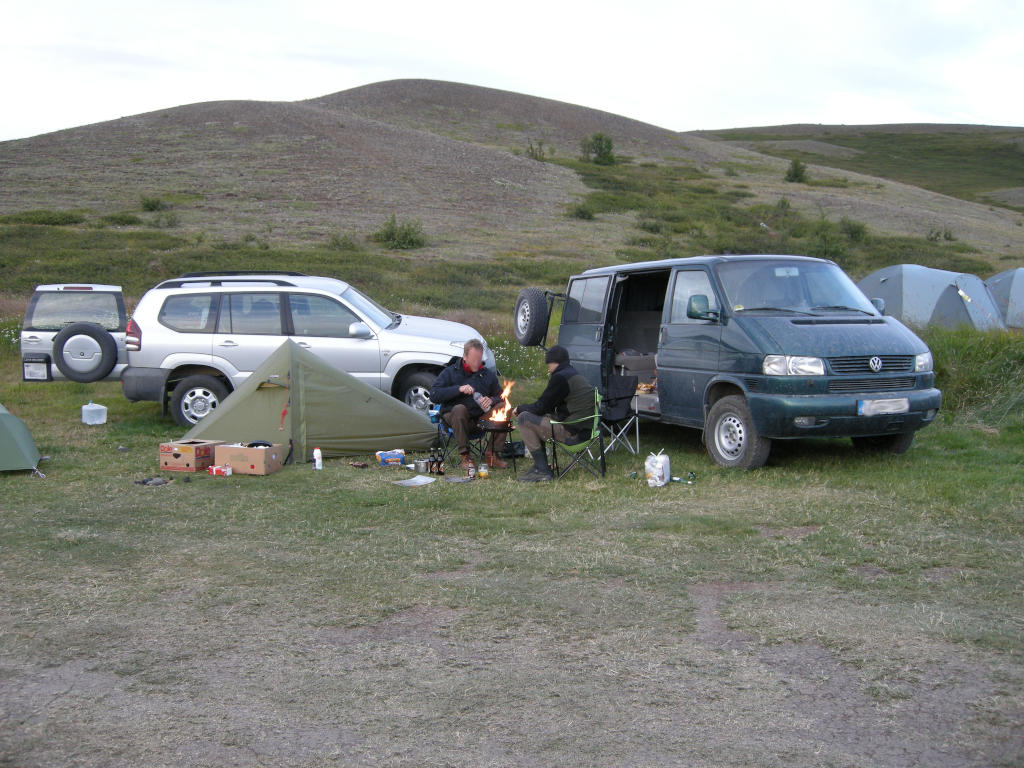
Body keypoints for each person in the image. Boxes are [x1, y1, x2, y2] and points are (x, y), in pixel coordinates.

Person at [512, 345, 595, 482]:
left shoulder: (560, 377)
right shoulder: (573, 373)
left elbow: (541, 406)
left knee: (524, 419)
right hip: (586, 430)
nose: (547, 368)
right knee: (539, 417)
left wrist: (520, 408)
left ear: (554, 362)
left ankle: (543, 470)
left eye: (548, 363)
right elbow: (547, 406)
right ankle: (540, 466)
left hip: (573, 434)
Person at [430, 338, 509, 471]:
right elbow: (434, 394)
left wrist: (492, 400)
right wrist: (458, 389)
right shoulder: (450, 372)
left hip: (479, 419)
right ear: (465, 357)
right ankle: (465, 456)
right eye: (474, 359)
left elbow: (501, 396)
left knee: (504, 407)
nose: (477, 363)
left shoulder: (486, 375)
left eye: (479, 359)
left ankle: (492, 454)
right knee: (460, 409)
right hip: (455, 419)